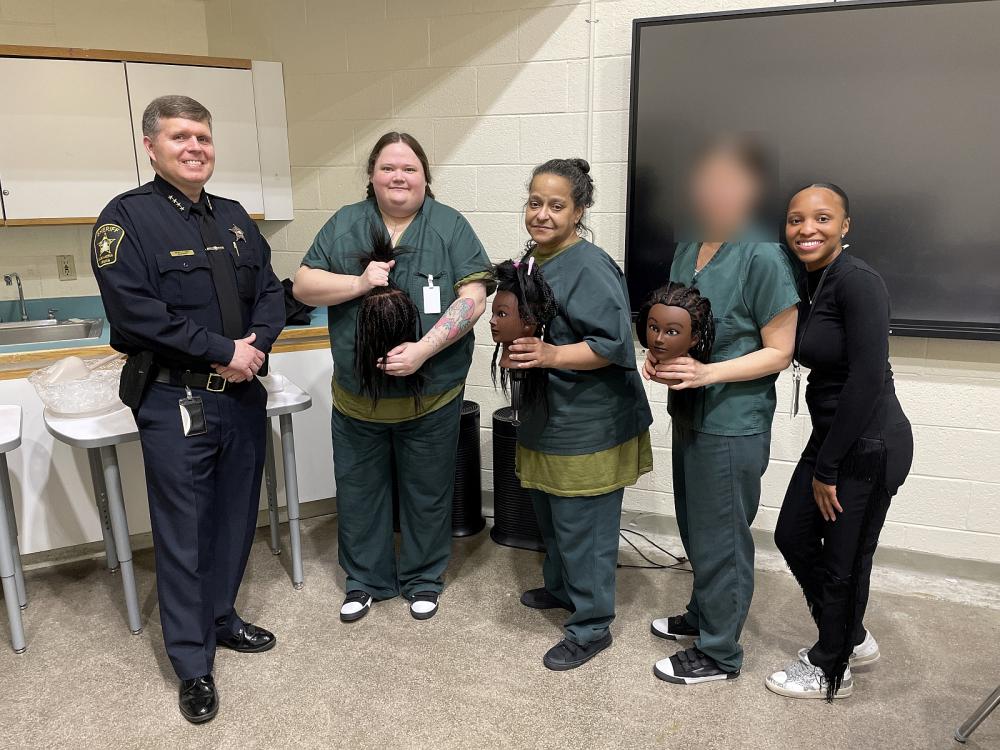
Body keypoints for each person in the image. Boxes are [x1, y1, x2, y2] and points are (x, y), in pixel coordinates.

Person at [91, 95, 285, 724]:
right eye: (180, 137)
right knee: (183, 532)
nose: (194, 147)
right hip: (178, 397)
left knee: (234, 519)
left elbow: (272, 293)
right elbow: (136, 314)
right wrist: (222, 350)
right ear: (152, 145)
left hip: (241, 395)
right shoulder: (125, 221)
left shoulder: (232, 217)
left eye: (202, 136)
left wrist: (253, 348)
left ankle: (221, 617)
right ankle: (191, 660)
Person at [293, 132, 493, 623]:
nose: (399, 177)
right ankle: (365, 581)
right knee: (361, 492)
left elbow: (474, 296)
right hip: (358, 401)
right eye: (388, 168)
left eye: (409, 168)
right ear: (372, 176)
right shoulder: (344, 225)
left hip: (432, 396)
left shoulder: (450, 227)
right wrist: (359, 283)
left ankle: (423, 578)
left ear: (426, 176)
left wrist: (425, 349)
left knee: (427, 492)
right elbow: (303, 284)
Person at [644, 137, 799, 685]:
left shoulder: (762, 254)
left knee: (723, 536)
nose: (714, 189)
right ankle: (704, 615)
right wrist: (658, 355)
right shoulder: (690, 244)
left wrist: (708, 373)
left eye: (729, 179)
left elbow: (780, 350)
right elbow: (678, 322)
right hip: (688, 409)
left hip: (732, 421)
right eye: (706, 178)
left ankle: (719, 653)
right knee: (694, 524)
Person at [766, 184, 913, 700]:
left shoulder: (858, 280)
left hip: (869, 445)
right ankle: (849, 633)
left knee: (845, 560)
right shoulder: (809, 280)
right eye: (795, 219)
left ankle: (832, 665)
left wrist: (828, 469)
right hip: (833, 440)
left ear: (845, 226)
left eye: (822, 218)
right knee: (792, 534)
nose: (807, 229)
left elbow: (867, 378)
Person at [507, 158, 653, 671]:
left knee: (583, 527)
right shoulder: (534, 260)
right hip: (549, 413)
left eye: (555, 205)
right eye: (534, 202)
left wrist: (547, 355)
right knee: (550, 514)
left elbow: (613, 345)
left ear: (580, 210)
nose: (541, 214)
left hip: (590, 420)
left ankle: (591, 626)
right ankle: (562, 589)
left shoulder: (589, 266)